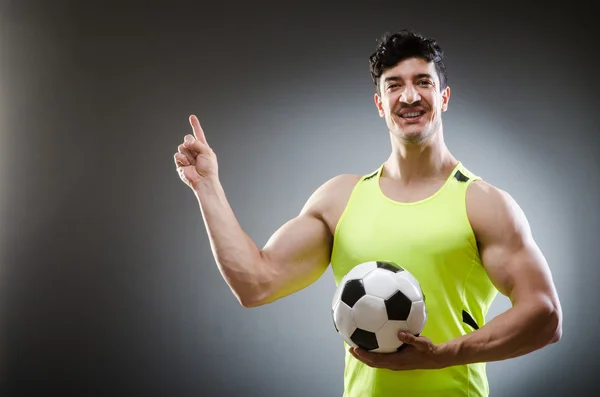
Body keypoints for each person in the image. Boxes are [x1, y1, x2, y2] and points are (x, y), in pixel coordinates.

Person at [173, 29, 562, 397]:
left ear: (444, 97)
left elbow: (544, 316)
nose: (409, 96)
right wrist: (208, 186)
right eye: (394, 84)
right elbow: (256, 284)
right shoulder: (339, 199)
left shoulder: (483, 202)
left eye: (423, 82)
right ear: (380, 104)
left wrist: (443, 355)